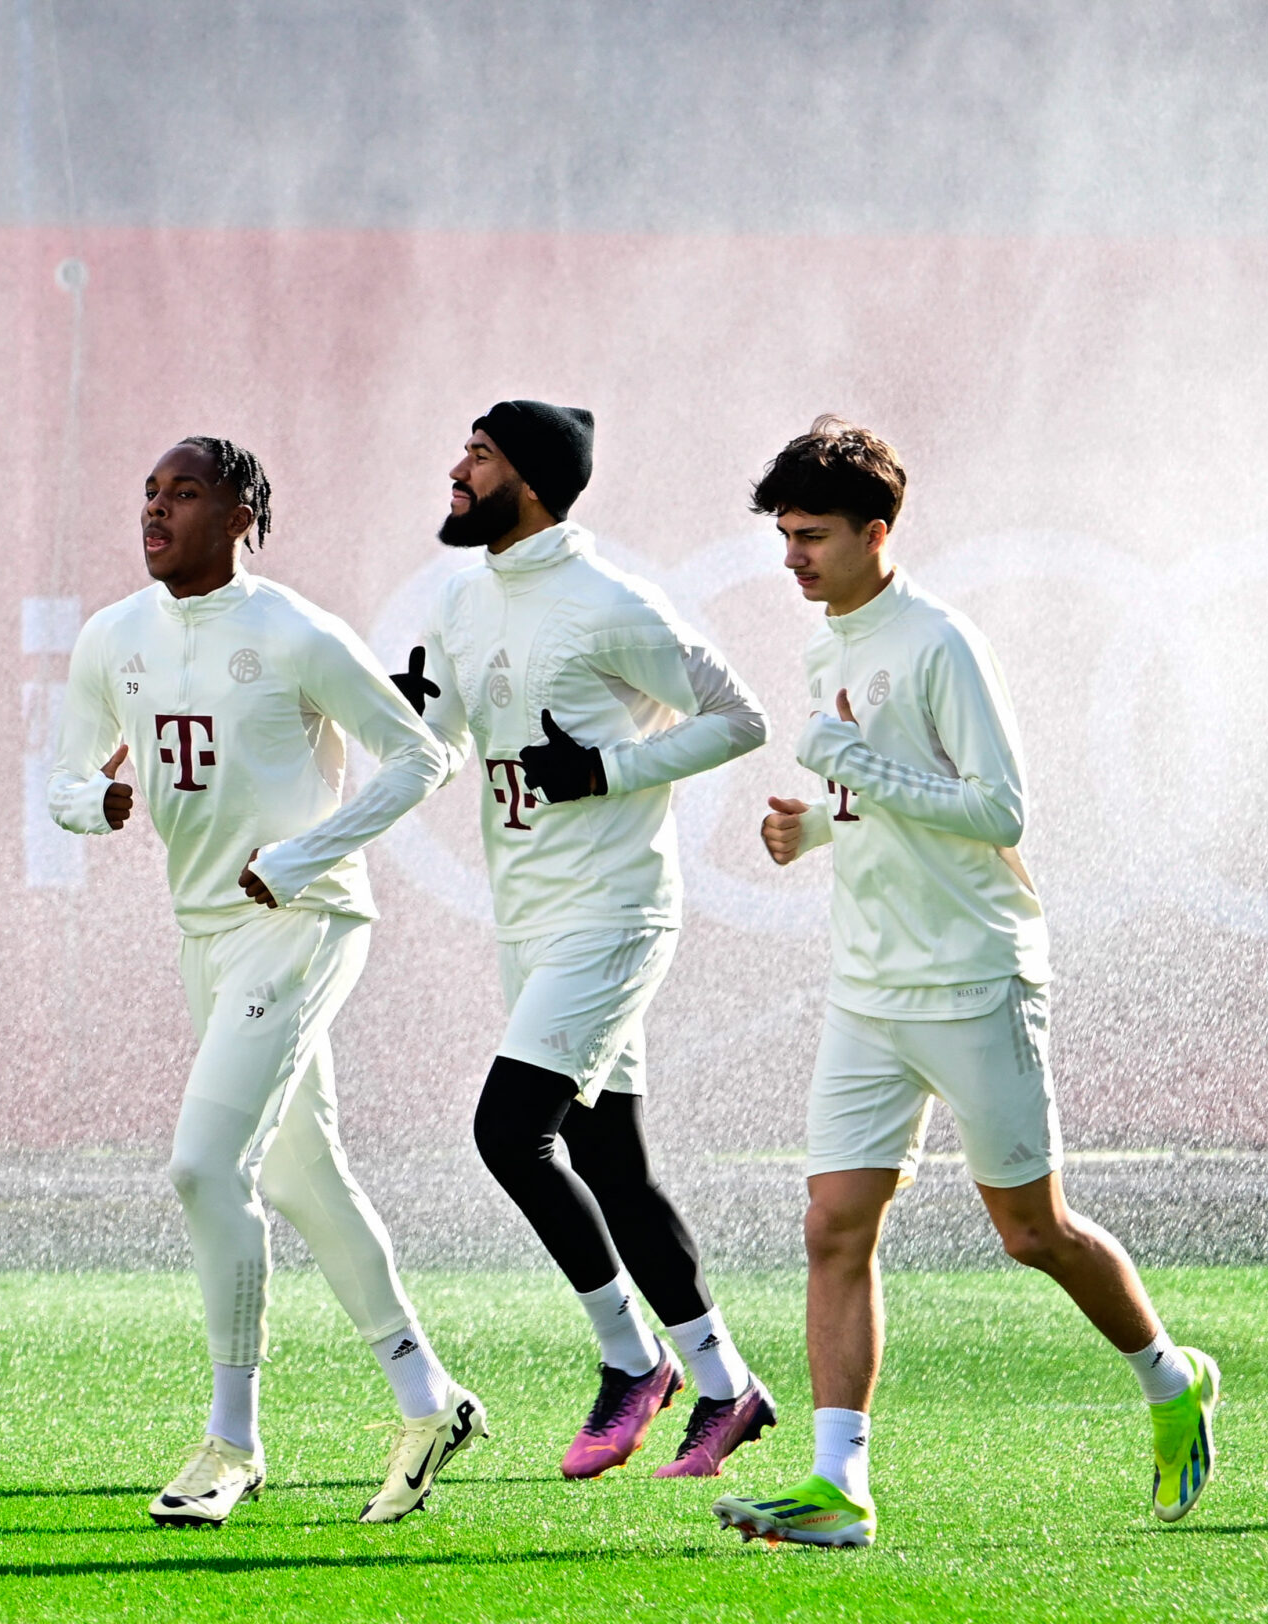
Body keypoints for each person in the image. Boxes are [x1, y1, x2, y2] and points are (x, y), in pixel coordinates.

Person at [713, 417, 1220, 1549]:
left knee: (1031, 1231)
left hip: (974, 974)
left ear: (877, 532)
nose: (792, 557)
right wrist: (819, 829)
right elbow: (884, 801)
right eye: (784, 536)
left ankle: (1170, 1376)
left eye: (814, 536)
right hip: (867, 984)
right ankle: (838, 1484)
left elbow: (999, 812)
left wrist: (849, 767)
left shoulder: (941, 641)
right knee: (833, 1223)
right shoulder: (826, 642)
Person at [49, 437, 482, 1529]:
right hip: (205, 931)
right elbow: (64, 770)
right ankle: (427, 1398)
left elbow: (420, 756)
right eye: (147, 492)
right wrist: (85, 803)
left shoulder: (294, 630)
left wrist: (300, 856)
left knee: (203, 1165)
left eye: (184, 493)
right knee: (299, 1177)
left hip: (305, 918)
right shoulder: (112, 637)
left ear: (242, 512)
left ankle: (232, 1439)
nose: (155, 510)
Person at [401, 403, 775, 1479]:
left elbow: (739, 715)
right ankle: (726, 1386)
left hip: (615, 910)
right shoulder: (466, 598)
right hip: (529, 914)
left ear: (531, 477)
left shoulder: (610, 601)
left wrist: (607, 769)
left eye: (476, 453)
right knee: (614, 1165)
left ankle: (630, 1358)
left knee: (508, 1131)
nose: (456, 468)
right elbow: (431, 739)